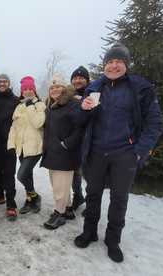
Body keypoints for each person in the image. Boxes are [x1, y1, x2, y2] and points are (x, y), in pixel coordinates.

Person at [74, 42, 163, 263]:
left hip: (125, 153)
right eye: (110, 62)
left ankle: (113, 240)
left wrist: (139, 152)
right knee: (92, 194)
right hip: (96, 152)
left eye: (118, 62)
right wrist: (83, 110)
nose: (114, 66)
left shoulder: (140, 88)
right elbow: (81, 123)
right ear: (104, 65)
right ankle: (89, 232)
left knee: (119, 199)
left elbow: (155, 124)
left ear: (126, 65)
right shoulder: (94, 88)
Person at [40, 74, 86, 230]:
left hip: (65, 154)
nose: (54, 90)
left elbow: (79, 128)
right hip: (53, 152)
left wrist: (66, 144)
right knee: (59, 185)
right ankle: (66, 209)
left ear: (64, 88)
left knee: (60, 186)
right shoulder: (52, 106)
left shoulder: (72, 104)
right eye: (52, 87)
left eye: (58, 86)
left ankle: (59, 214)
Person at [7, 76, 46, 217]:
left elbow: (38, 123)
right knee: (28, 175)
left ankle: (35, 197)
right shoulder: (18, 107)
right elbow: (13, 127)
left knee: (21, 175)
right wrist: (11, 145)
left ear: (34, 90)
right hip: (21, 148)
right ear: (22, 92)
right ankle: (30, 200)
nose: (28, 91)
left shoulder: (40, 105)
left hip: (35, 147)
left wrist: (30, 105)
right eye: (25, 89)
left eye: (30, 89)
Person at [0, 74, 20, 214]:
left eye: (5, 81)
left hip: (9, 143)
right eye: (0, 81)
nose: (2, 83)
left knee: (8, 173)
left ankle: (11, 204)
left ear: (9, 84)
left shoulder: (15, 100)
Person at [69, 66, 91, 211]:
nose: (78, 80)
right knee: (74, 174)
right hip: (73, 141)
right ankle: (78, 196)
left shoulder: (93, 93)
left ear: (87, 80)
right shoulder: (69, 95)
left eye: (81, 78)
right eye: (75, 78)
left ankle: (91, 204)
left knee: (89, 176)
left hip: (89, 141)